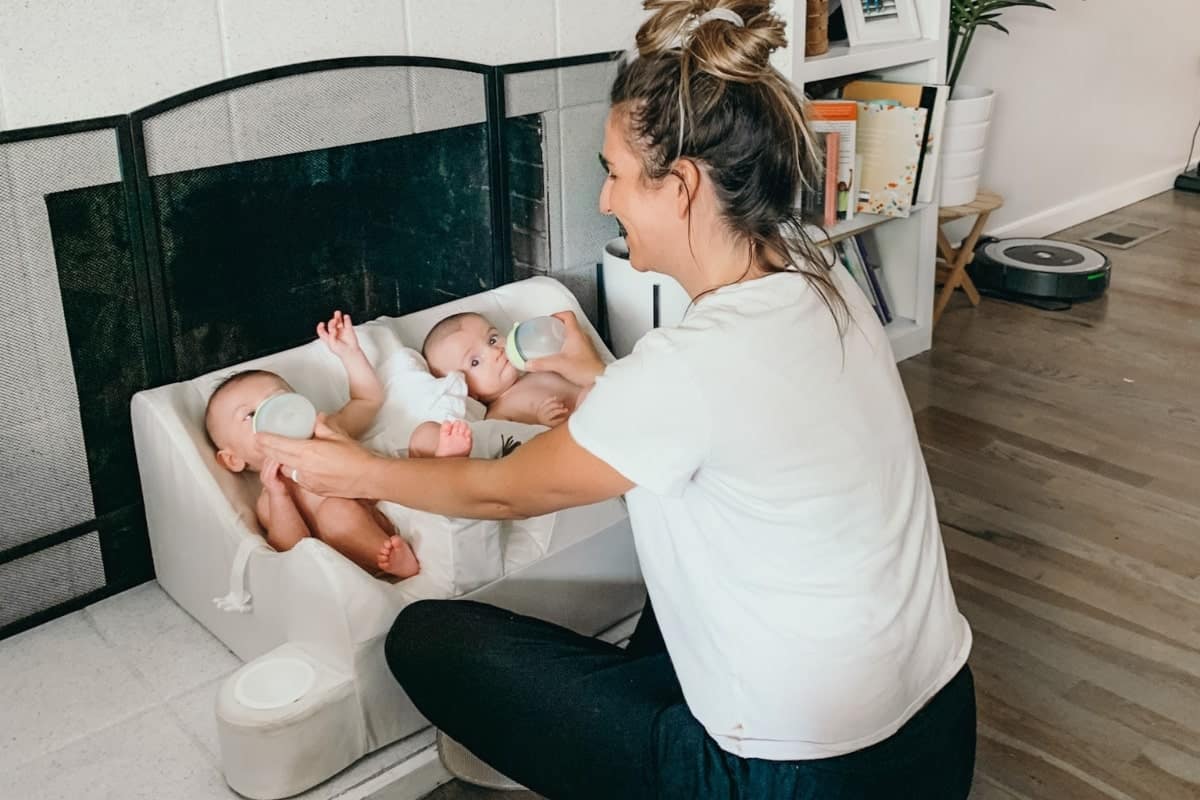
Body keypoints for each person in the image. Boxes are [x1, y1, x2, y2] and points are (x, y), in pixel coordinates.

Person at [257, 1, 976, 796]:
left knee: (427, 639)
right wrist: (598, 380)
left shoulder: (687, 367)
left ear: (684, 186)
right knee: (679, 552)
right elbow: (743, 414)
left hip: (796, 778)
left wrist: (355, 470)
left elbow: (497, 492)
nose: (605, 199)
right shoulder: (815, 267)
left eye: (616, 174)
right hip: (940, 734)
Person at [205, 310, 467, 579]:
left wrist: (350, 354)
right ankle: (393, 563)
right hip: (369, 540)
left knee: (425, 433)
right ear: (233, 459)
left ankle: (447, 463)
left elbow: (367, 400)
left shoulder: (325, 429)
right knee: (334, 512)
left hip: (401, 494)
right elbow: (293, 547)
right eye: (251, 415)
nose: (274, 416)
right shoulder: (271, 496)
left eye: (279, 401)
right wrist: (279, 495)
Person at [422, 311, 585, 428]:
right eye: (475, 362)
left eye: (492, 340)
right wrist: (541, 423)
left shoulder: (537, 365)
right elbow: (517, 450)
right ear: (467, 391)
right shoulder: (498, 415)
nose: (495, 351)